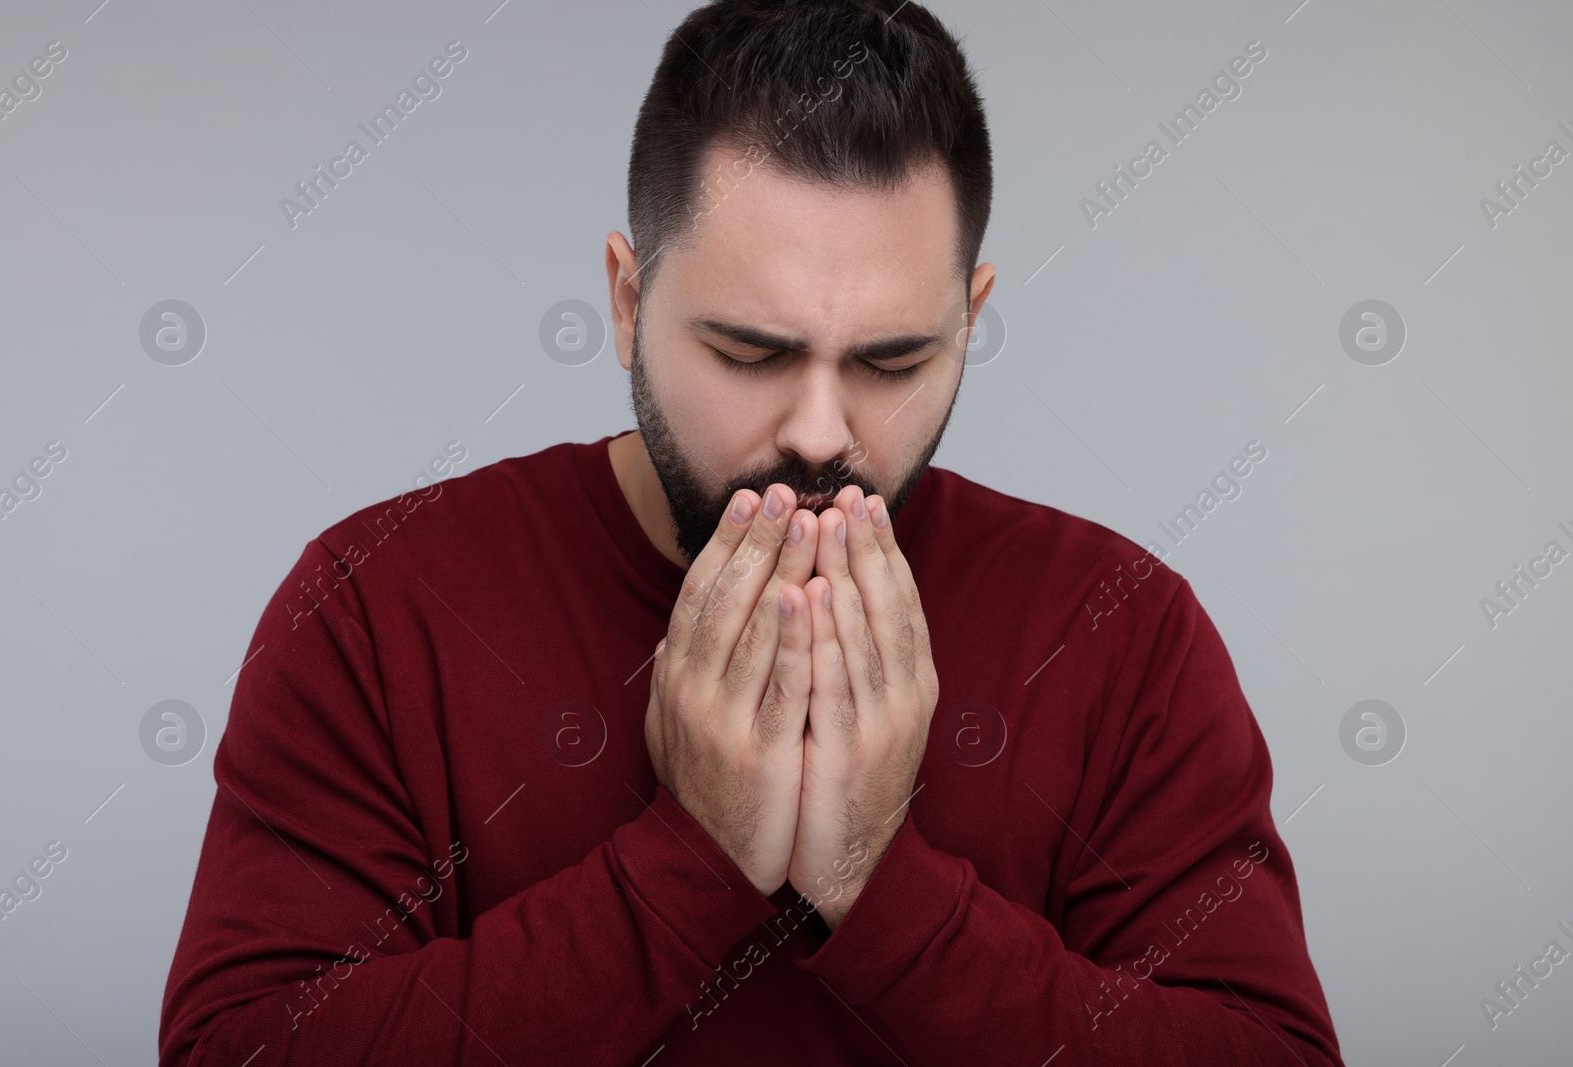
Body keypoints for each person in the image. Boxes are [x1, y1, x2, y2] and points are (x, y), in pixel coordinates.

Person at [160, 1, 1344, 1063]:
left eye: (893, 359)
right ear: (628, 301)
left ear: (969, 316)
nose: (819, 431)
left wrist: (877, 879)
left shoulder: (1120, 627)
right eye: (750, 352)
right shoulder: (378, 603)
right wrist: (688, 862)